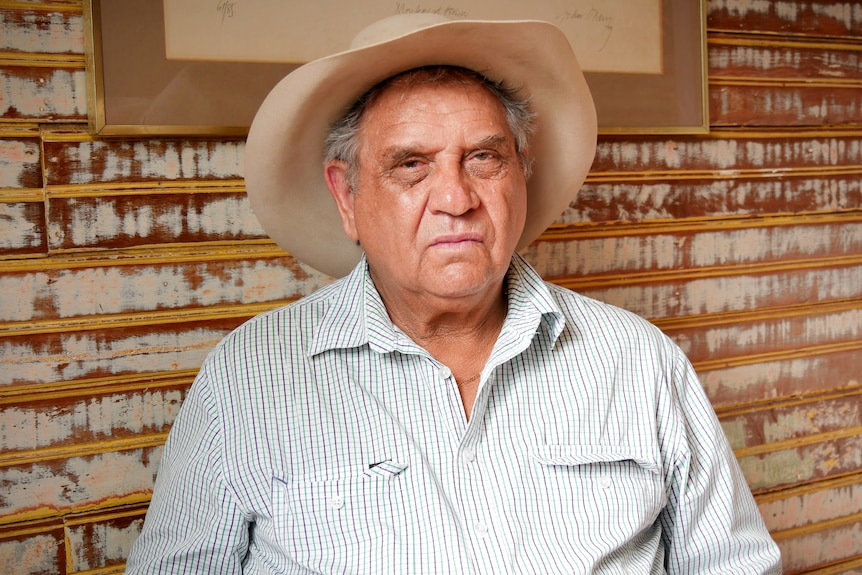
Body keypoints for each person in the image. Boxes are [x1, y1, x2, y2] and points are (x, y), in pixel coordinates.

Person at [126, 13, 782, 575]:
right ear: (345, 195)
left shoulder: (638, 361)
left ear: (520, 177)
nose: (456, 198)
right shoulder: (245, 380)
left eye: (483, 159)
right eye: (412, 165)